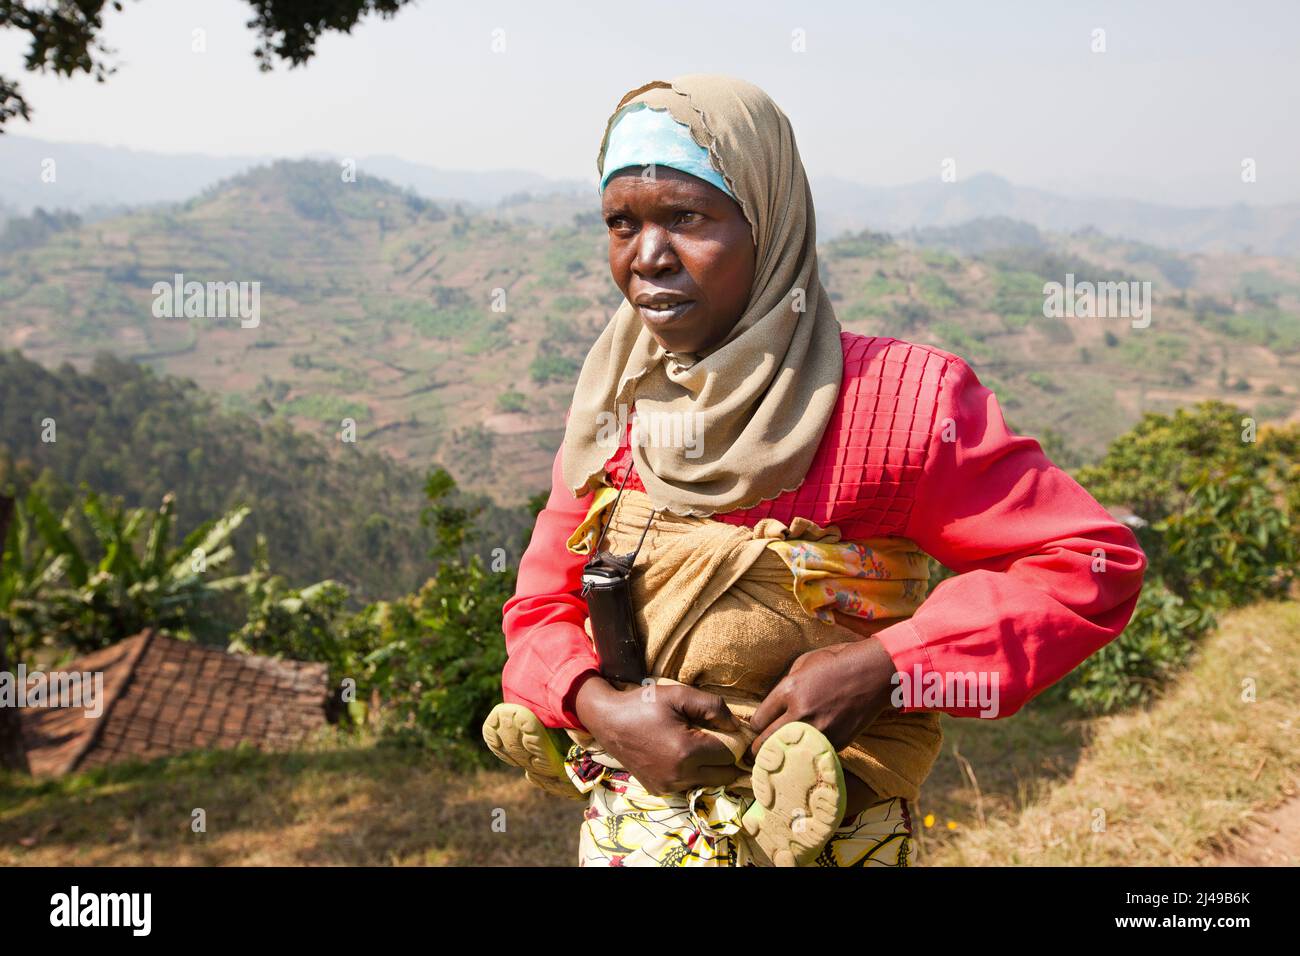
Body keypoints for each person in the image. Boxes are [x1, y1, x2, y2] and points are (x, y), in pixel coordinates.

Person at [484, 74, 1147, 867]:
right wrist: (595, 706)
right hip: (633, 835)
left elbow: (1087, 565)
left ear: (770, 225)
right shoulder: (615, 410)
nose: (648, 257)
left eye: (687, 217)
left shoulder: (900, 403)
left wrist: (888, 670)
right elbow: (537, 608)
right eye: (621, 223)